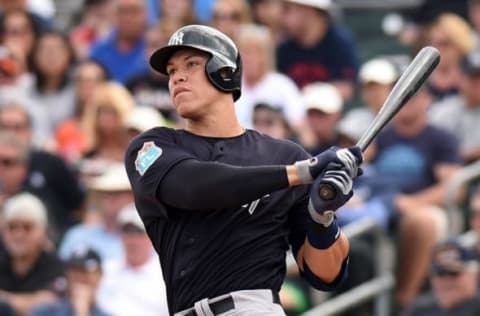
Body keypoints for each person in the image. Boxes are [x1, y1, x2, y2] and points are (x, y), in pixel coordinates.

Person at [125, 24, 363, 315]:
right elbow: (195, 188)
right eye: (172, 71)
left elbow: (325, 275)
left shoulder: (283, 154)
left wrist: (322, 219)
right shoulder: (153, 146)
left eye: (192, 64)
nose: (178, 77)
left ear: (224, 72)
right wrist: (301, 173)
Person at [0, 107, 87, 241]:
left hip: (52, 241)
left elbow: (77, 203)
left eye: (18, 127)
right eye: (4, 127)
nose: (11, 133)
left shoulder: (50, 162)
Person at [276, 0, 359, 100]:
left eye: (287, 9)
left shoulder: (339, 43)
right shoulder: (284, 48)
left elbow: (346, 88)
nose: (281, 17)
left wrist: (311, 96)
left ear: (308, 11)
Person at [96, 204, 169, 316]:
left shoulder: (166, 275)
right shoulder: (106, 270)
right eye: (127, 232)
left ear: (151, 236)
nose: (132, 240)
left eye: (139, 233)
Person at [0, 193, 65, 316]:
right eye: (12, 227)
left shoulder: (55, 265)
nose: (18, 235)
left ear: (44, 232)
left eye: (27, 227)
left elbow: (48, 306)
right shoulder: (2, 261)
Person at [59, 163, 133, 262]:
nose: (109, 199)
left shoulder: (146, 240)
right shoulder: (77, 236)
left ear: (133, 198)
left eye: (117, 193)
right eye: (105, 193)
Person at [429, 49, 480, 163]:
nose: (478, 83)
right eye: (473, 78)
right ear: (461, 78)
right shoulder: (442, 110)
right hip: (448, 171)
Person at [404, 240, 480, 316]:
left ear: (474, 275)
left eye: (453, 274)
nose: (446, 281)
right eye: (440, 274)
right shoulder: (420, 308)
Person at [30, 247, 109, 316]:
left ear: (100, 275)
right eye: (74, 271)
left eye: (84, 272)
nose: (79, 277)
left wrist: (82, 310)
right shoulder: (46, 311)